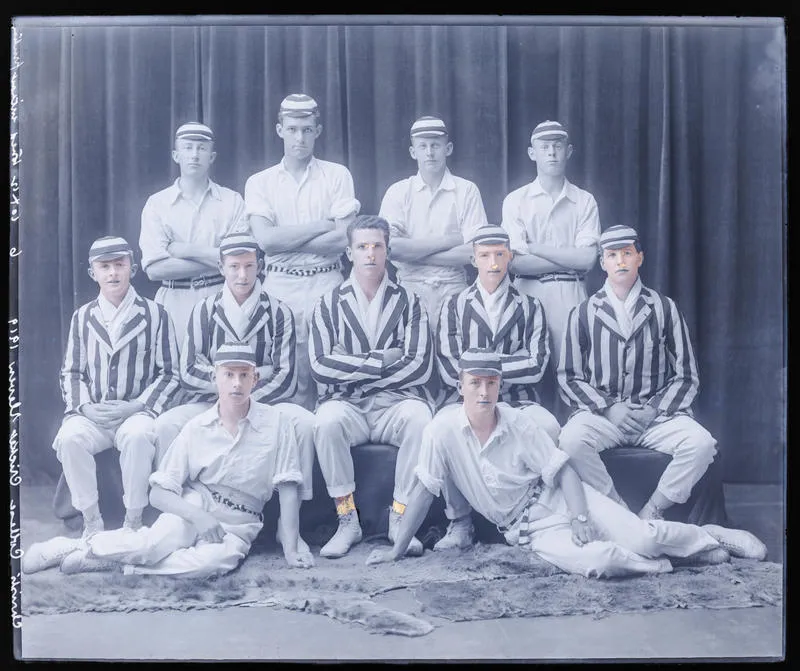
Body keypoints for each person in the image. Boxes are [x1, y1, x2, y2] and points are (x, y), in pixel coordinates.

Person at [365, 348, 768, 576]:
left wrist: (579, 518)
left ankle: (710, 538)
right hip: (526, 531)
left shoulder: (519, 423)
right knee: (600, 561)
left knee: (641, 536)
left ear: (500, 385)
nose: (484, 392)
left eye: (491, 383)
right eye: (475, 384)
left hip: (563, 500)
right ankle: (662, 564)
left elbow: (565, 472)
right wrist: (396, 551)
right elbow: (422, 491)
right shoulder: (441, 430)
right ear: (461, 386)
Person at [23, 342, 315, 577]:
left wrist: (290, 547)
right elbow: (160, 493)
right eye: (228, 374)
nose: (236, 383)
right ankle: (71, 546)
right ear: (214, 378)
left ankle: (118, 563)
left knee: (211, 564)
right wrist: (198, 516)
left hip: (242, 521)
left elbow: (288, 487)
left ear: (256, 378)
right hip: (195, 504)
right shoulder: (196, 427)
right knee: (153, 543)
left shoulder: (277, 423)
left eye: (244, 375)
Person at [21, 236, 181, 574]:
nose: (112, 274)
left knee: (139, 437)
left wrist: (135, 406)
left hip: (133, 412)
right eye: (104, 267)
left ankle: (133, 521)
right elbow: (72, 371)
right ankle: (91, 520)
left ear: (133, 269)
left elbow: (170, 375)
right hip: (93, 413)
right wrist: (84, 408)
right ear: (93, 273)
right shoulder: (83, 317)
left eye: (119, 265)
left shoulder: (155, 314)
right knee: (69, 437)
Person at [153, 232, 315, 551]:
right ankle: (183, 512)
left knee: (306, 423)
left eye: (249, 266)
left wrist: (243, 396)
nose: (242, 275)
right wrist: (232, 390)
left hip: (264, 404)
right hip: (209, 402)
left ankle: (291, 526)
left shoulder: (278, 311)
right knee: (165, 424)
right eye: (234, 266)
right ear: (221, 267)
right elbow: (188, 370)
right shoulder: (205, 309)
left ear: (261, 267)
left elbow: (286, 377)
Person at [558, 225, 718, 521]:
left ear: (640, 258)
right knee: (570, 441)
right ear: (602, 262)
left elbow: (687, 376)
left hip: (655, 418)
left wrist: (653, 410)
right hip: (604, 418)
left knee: (702, 444)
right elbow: (569, 377)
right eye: (612, 255)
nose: (620, 261)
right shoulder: (582, 312)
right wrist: (609, 408)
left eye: (627, 254)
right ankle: (618, 509)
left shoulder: (665, 308)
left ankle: (652, 510)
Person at [310, 215, 434, 559]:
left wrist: (350, 363)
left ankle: (400, 515)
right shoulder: (328, 302)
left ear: (388, 251)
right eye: (362, 247)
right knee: (325, 421)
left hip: (394, 403)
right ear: (349, 253)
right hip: (347, 405)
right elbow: (321, 366)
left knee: (421, 418)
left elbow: (418, 366)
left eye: (377, 246)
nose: (370, 254)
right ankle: (347, 518)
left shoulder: (410, 301)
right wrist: (380, 360)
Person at [244, 93, 361, 410]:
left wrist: (287, 238)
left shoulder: (337, 175)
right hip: (280, 284)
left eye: (307, 129)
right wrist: (321, 225)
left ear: (318, 131)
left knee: (331, 376)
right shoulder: (260, 182)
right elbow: (266, 242)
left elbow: (343, 241)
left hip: (327, 280)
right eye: (293, 128)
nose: (300, 137)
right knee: (285, 379)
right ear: (279, 129)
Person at [501, 120, 600, 412]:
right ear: (533, 153)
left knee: (571, 371)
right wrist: (565, 256)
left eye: (558, 146)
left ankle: (571, 444)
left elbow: (587, 260)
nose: (552, 153)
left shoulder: (584, 200)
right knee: (524, 370)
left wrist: (536, 248)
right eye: (545, 147)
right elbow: (516, 263)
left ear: (568, 151)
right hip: (526, 294)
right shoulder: (516, 200)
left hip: (570, 293)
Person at [438, 225, 560, 441]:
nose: (493, 263)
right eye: (484, 255)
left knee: (549, 426)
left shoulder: (531, 306)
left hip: (517, 400)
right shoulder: (453, 304)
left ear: (510, 257)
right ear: (473, 259)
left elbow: (536, 368)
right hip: (462, 403)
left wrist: (475, 364)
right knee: (438, 429)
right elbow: (450, 370)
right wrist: (515, 359)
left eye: (499, 254)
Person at [139, 122, 247, 348]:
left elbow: (240, 262)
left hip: (222, 296)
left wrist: (185, 250)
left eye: (202, 148)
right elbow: (155, 270)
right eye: (188, 148)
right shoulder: (157, 204)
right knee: (176, 373)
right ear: (176, 155)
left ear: (212, 156)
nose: (195, 155)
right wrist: (220, 258)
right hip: (174, 300)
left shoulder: (232, 201)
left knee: (226, 372)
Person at [378, 115, 489, 323]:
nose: (429, 153)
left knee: (454, 352)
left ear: (448, 149)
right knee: (412, 350)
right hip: (409, 287)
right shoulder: (398, 192)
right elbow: (390, 249)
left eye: (436, 145)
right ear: (413, 152)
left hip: (454, 286)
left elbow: (475, 252)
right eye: (423, 146)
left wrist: (413, 253)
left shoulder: (467, 190)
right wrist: (452, 240)